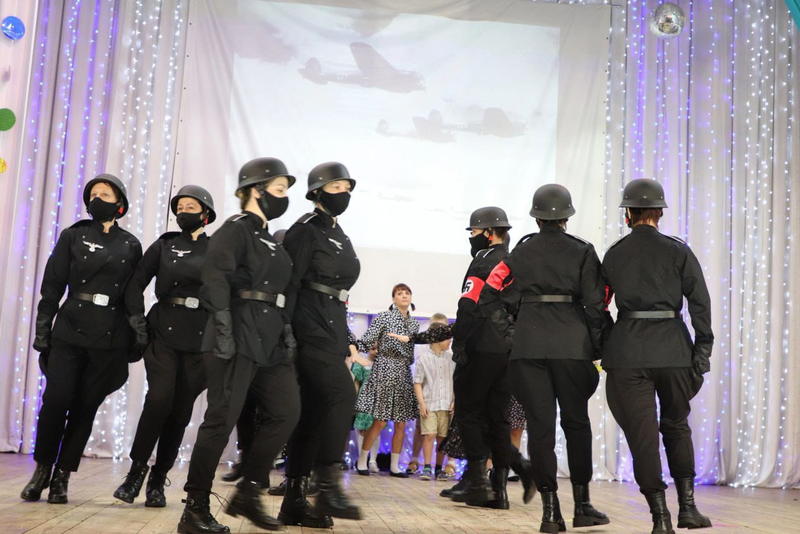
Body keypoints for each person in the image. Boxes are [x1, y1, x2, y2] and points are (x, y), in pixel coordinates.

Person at [177, 157, 301, 534]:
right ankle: (195, 509)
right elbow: (215, 278)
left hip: (269, 340)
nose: (283, 197)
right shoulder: (236, 229)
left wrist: (286, 331)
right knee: (220, 421)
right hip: (236, 335)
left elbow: (281, 290)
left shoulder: (271, 241)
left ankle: (249, 491)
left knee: (287, 411)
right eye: (278, 189)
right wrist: (224, 329)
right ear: (254, 191)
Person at [480, 184, 611, 532]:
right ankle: (582, 506)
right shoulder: (583, 250)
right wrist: (598, 345)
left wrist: (511, 336)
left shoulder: (519, 252)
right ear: (567, 216)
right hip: (572, 348)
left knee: (540, 429)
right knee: (576, 424)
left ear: (536, 217)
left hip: (528, 349)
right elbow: (597, 303)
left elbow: (489, 295)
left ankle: (550, 513)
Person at [21, 174, 142, 504]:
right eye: (93, 194)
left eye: (106, 193)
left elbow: (132, 295)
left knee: (84, 409)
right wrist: (43, 329)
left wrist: (138, 332)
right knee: (56, 401)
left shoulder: (131, 244)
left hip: (109, 337)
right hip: (70, 330)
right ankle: (41, 471)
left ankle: (62, 477)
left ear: (120, 203)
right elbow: (52, 286)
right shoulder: (73, 235)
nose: (98, 198)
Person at [602, 179, 713, 534]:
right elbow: (700, 302)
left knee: (643, 436)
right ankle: (688, 509)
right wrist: (703, 349)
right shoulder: (678, 250)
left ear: (628, 214)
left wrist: (607, 341)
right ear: (659, 213)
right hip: (673, 350)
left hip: (628, 352)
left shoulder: (614, 254)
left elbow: (596, 305)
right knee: (677, 426)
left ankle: (660, 518)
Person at [113, 185, 216, 507]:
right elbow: (135, 284)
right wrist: (138, 323)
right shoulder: (165, 244)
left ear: (206, 213)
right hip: (163, 332)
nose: (183, 213)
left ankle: (158, 479)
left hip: (201, 340)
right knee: (159, 400)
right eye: (179, 208)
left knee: (181, 411)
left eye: (190, 207)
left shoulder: (218, 248)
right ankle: (135, 474)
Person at [279, 162, 362, 528]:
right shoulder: (305, 230)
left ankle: (294, 501)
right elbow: (289, 284)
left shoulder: (340, 233)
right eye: (336, 187)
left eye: (347, 187)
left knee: (312, 415)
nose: (344, 193)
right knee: (342, 395)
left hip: (332, 327)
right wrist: (286, 332)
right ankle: (327, 484)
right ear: (317, 191)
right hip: (307, 326)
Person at [354, 284, 421, 477]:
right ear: (393, 299)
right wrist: (354, 350)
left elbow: (411, 351)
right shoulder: (384, 316)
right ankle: (362, 460)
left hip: (403, 371)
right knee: (380, 420)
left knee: (401, 423)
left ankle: (394, 466)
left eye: (407, 293)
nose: (404, 296)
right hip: (384, 368)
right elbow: (368, 338)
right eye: (399, 293)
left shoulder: (415, 324)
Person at [412, 314, 455, 481]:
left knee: (442, 438)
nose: (450, 341)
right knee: (429, 435)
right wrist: (421, 403)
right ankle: (426, 467)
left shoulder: (451, 359)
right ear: (437, 339)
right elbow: (417, 382)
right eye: (447, 338)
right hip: (429, 404)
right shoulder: (423, 359)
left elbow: (454, 382)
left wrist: (454, 401)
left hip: (446, 404)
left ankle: (439, 468)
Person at [352, 343, 381, 473]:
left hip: (378, 401)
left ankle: (373, 461)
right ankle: (361, 459)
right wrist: (355, 401)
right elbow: (357, 383)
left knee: (376, 430)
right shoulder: (361, 363)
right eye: (373, 348)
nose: (376, 351)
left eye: (378, 348)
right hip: (364, 399)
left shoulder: (383, 365)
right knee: (363, 431)